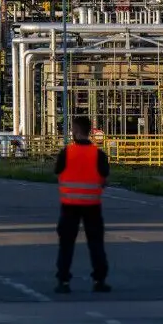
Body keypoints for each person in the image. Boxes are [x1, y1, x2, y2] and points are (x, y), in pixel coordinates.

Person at [54, 114, 110, 294]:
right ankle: (99, 280)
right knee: (96, 244)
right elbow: (104, 177)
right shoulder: (98, 154)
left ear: (76, 131)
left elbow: (58, 172)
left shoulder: (66, 153)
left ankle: (63, 281)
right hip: (92, 205)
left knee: (66, 245)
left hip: (69, 205)